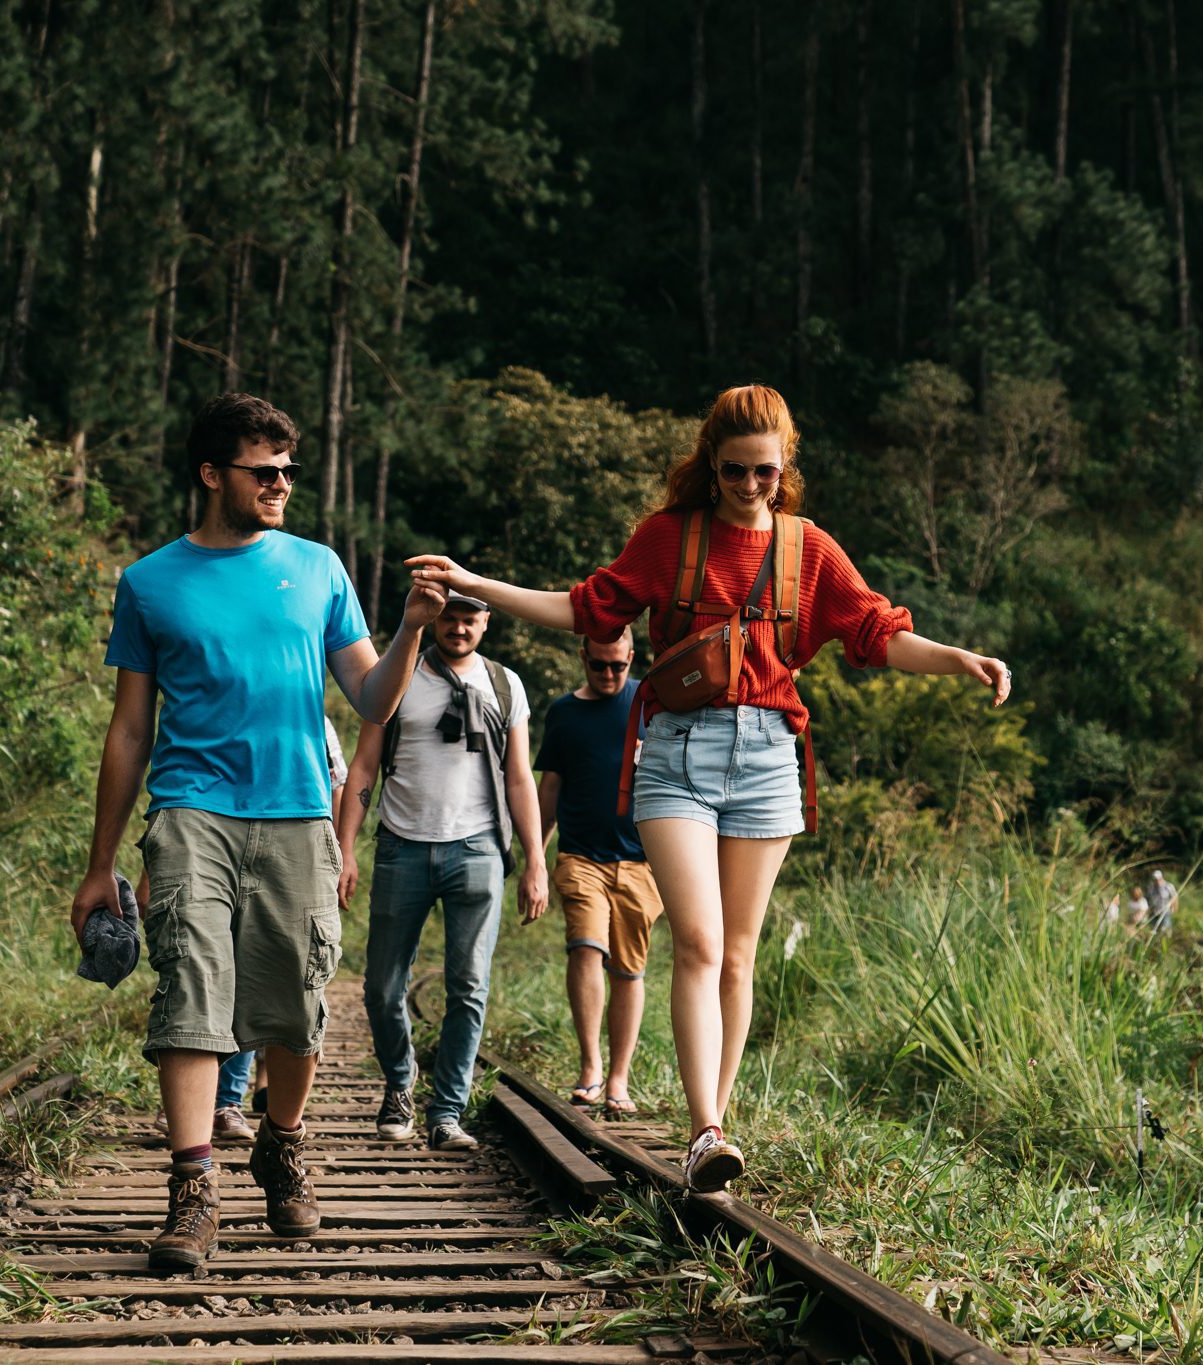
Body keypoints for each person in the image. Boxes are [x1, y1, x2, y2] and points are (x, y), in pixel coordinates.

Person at [406, 383, 1011, 1192]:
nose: (751, 486)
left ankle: (715, 1124)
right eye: (735, 472)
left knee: (738, 954)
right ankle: (705, 1129)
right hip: (676, 753)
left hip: (769, 755)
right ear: (711, 464)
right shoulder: (668, 538)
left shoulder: (810, 550)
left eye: (766, 472)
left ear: (784, 467)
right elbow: (585, 608)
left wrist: (957, 659)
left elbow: (878, 633)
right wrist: (478, 584)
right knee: (695, 940)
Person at [72, 392, 442, 1272]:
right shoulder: (150, 581)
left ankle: (281, 1141)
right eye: (262, 470)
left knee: (296, 1003)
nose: (281, 483)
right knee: (191, 989)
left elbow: (373, 697)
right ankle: (193, 1187)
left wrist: (414, 630)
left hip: (297, 812)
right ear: (212, 474)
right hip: (190, 808)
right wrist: (99, 866)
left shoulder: (317, 568)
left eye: (288, 470)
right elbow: (129, 730)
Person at [336, 592, 550, 1152]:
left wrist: (535, 860)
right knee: (383, 987)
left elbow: (520, 778)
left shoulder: (505, 685)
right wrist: (346, 847)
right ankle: (400, 1085)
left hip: (478, 849)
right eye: (449, 617)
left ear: (485, 623)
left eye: (469, 618)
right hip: (403, 847)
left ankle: (447, 1112)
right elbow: (363, 764)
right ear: (435, 619)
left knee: (469, 987)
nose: (458, 627)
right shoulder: (399, 675)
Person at [142, 713, 350, 1142]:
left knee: (268, 990)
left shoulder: (314, 724)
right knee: (200, 983)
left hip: (292, 838)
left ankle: (237, 1107)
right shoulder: (202, 715)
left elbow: (338, 783)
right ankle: (204, 1126)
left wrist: (334, 855)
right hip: (203, 830)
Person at [535, 626, 664, 1116]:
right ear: (583, 656)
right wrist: (535, 859)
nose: (609, 674)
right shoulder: (565, 713)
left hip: (640, 862)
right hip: (581, 856)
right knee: (586, 948)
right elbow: (551, 788)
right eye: (599, 665)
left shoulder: (652, 704)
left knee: (629, 971)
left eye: (619, 665)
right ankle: (590, 1066)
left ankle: (618, 1080)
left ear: (633, 657)